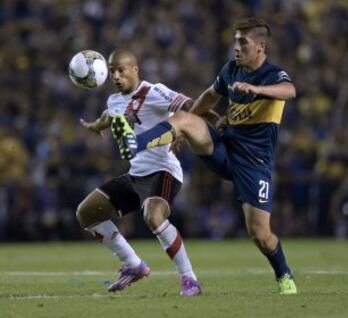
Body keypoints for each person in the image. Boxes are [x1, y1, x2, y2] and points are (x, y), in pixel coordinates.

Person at [112, 18, 297, 294]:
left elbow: (290, 91)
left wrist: (258, 91)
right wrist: (188, 127)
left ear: (260, 46)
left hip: (254, 164)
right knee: (185, 118)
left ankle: (283, 274)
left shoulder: (272, 74)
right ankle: (135, 142)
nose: (236, 47)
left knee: (261, 235)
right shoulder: (231, 70)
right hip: (225, 148)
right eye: (235, 41)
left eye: (242, 43)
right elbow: (209, 96)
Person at [76, 49, 201, 296]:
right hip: (137, 175)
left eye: (121, 69)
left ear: (135, 69)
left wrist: (213, 120)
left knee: (153, 216)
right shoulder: (114, 101)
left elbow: (189, 104)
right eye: (112, 71)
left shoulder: (154, 91)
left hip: (164, 171)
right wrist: (94, 126)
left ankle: (190, 279)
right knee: (86, 213)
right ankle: (133, 265)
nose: (116, 75)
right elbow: (108, 116)